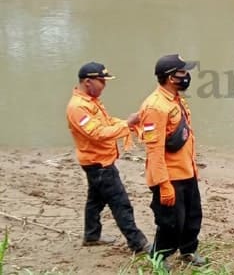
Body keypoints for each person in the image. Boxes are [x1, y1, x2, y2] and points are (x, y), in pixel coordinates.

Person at [65, 61, 150, 254]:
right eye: (102, 81)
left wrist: (128, 123)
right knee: (121, 203)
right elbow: (97, 133)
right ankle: (138, 244)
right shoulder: (78, 107)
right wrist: (127, 125)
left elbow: (107, 122)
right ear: (88, 82)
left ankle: (91, 235)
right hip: (98, 163)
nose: (104, 85)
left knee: (95, 200)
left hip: (98, 161)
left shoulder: (91, 101)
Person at [137, 54, 206, 268]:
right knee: (170, 222)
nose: (187, 76)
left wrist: (193, 168)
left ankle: (188, 250)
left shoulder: (176, 100)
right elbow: (154, 150)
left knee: (193, 216)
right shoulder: (155, 107)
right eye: (183, 72)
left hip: (187, 171)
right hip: (170, 176)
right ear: (170, 77)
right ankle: (159, 256)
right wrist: (164, 184)